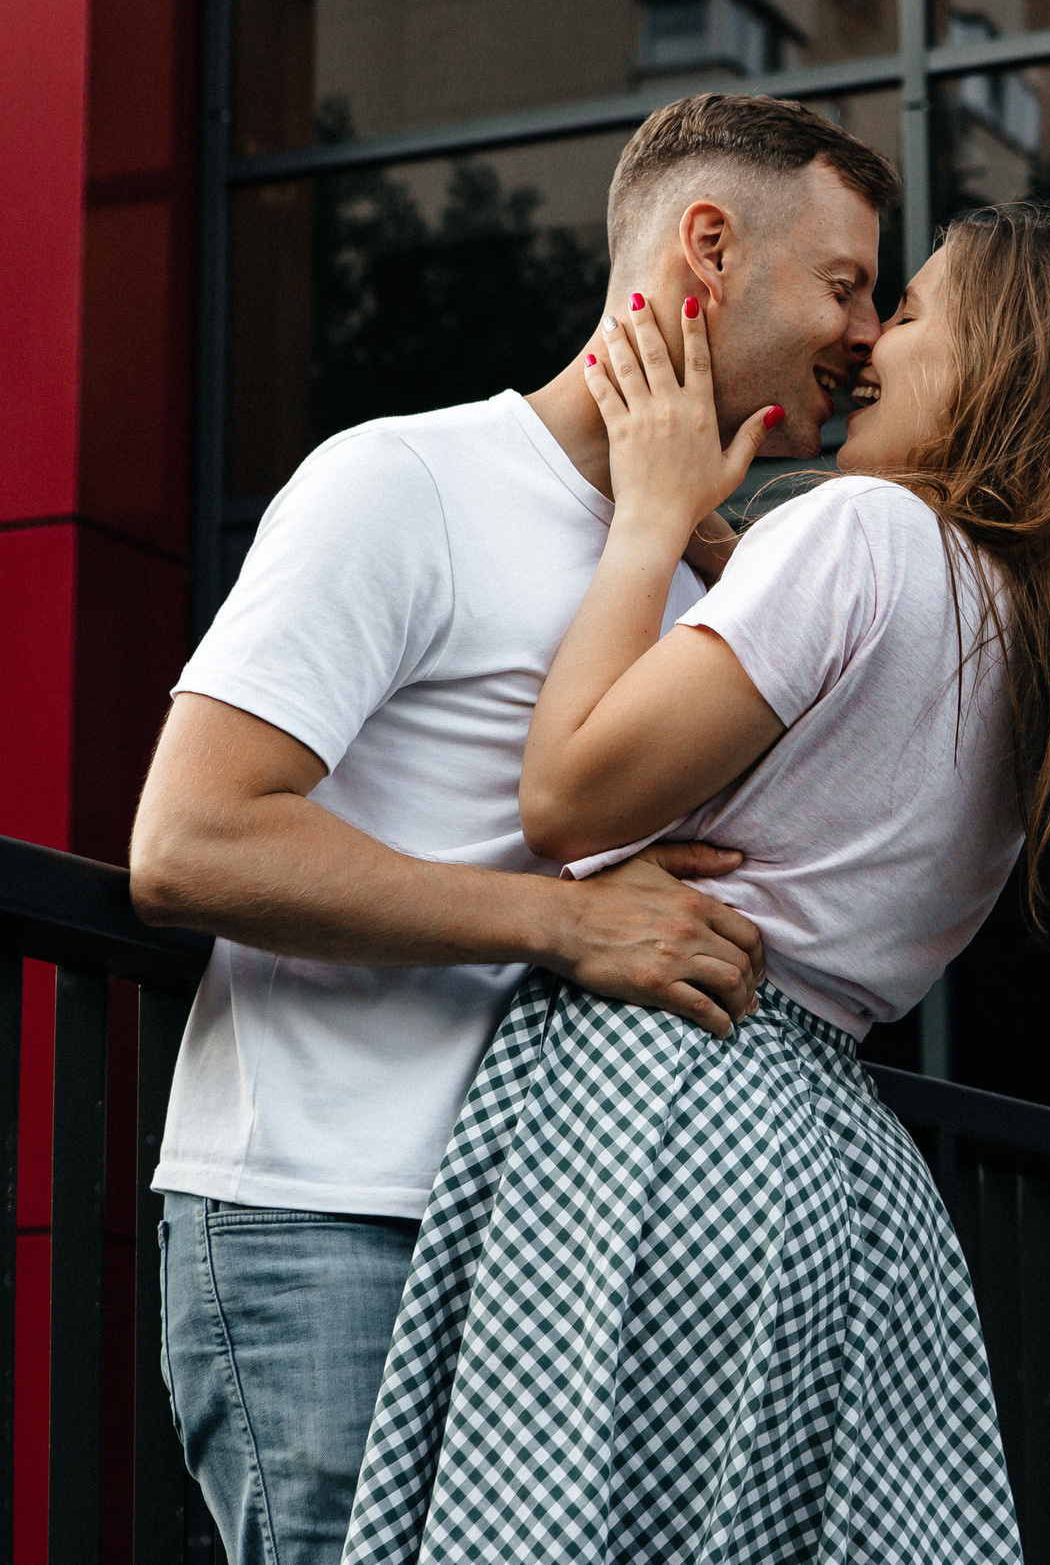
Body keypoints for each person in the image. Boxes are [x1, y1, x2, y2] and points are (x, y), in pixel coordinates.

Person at [337, 205, 1050, 1560]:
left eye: (915, 311)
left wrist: (652, 522)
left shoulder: (860, 536)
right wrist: (732, 551)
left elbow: (567, 796)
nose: (873, 340)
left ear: (997, 364)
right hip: (829, 1154)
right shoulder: (1028, 621)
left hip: (658, 1108)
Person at [129, 92, 895, 1564]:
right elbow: (194, 843)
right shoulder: (403, 483)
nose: (868, 331)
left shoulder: (687, 580)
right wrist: (567, 917)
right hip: (327, 1230)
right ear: (711, 246)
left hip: (552, 1253)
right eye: (848, 283)